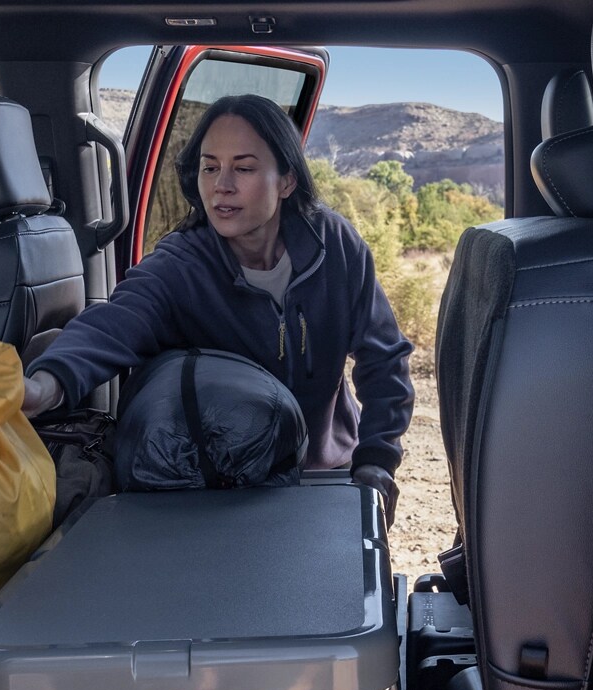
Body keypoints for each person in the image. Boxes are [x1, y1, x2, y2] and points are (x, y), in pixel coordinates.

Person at [22, 94, 414, 519]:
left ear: (286, 181)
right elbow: (113, 322)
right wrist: (45, 385)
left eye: (243, 168)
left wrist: (376, 459)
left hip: (327, 473)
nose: (221, 185)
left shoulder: (334, 245)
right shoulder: (181, 264)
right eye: (210, 167)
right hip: (230, 489)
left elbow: (384, 359)